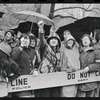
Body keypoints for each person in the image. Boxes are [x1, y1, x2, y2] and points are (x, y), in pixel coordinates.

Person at [35, 20, 61, 97]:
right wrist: (41, 28)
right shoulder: (45, 48)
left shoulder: (60, 52)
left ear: (58, 42)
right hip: (44, 77)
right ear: (49, 41)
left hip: (56, 79)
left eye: (55, 39)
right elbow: (42, 39)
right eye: (52, 39)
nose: (53, 41)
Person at [60, 30, 80, 97]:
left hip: (75, 75)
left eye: (71, 40)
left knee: (74, 93)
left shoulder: (76, 49)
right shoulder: (62, 49)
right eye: (68, 40)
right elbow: (61, 62)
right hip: (66, 74)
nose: (70, 42)